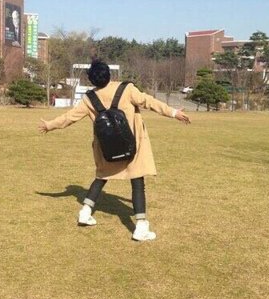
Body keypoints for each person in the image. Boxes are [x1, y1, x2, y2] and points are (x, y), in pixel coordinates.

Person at [38, 60, 190, 241]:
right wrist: (173, 113)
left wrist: (50, 125)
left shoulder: (89, 99)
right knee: (137, 180)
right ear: (109, 74)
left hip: (106, 148)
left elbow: (69, 117)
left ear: (92, 79)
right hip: (132, 145)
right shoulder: (126, 89)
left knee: (102, 176)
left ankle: (85, 212)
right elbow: (149, 101)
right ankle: (141, 227)